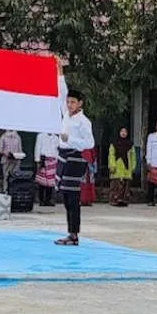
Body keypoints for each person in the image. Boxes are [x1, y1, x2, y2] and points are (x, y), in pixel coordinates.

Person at [55, 89, 94, 245]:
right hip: (64, 156)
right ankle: (70, 232)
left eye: (73, 102)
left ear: (80, 103)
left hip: (76, 157)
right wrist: (60, 71)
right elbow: (61, 91)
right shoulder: (65, 114)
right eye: (68, 102)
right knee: (65, 196)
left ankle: (74, 234)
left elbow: (89, 143)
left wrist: (69, 138)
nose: (69, 105)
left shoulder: (83, 121)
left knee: (72, 197)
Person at [108, 127, 135, 207]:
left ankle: (124, 200)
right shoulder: (114, 143)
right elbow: (111, 155)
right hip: (117, 167)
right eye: (122, 131)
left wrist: (133, 167)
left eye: (125, 131)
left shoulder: (130, 144)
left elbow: (133, 157)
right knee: (116, 184)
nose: (123, 133)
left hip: (127, 168)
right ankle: (114, 200)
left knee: (126, 184)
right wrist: (112, 165)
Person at [34, 131, 59, 207]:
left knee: (51, 182)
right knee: (42, 182)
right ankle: (41, 200)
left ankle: (48, 200)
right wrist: (37, 160)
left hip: (53, 160)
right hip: (43, 159)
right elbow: (37, 148)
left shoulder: (56, 137)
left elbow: (57, 150)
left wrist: (57, 161)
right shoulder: (40, 136)